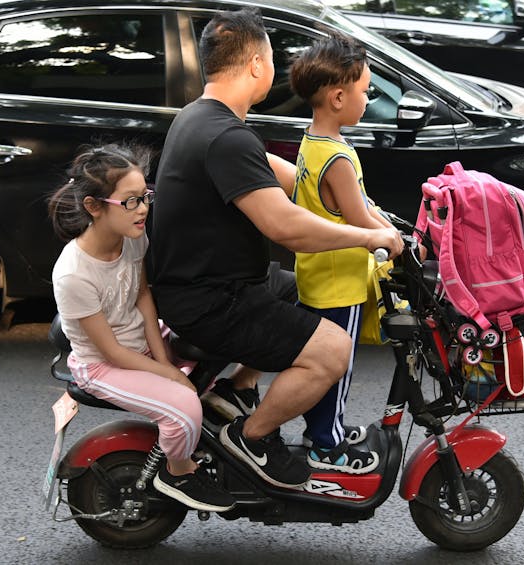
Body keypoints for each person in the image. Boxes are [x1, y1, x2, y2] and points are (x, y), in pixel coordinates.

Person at [151, 8, 403, 490]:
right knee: (334, 349)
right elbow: (286, 227)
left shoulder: (201, 118)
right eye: (269, 55)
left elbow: (282, 174)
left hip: (220, 283)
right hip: (212, 300)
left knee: (305, 295)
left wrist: (364, 205)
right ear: (255, 65)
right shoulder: (225, 135)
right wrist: (371, 236)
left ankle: (239, 387)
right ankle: (251, 438)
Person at [48, 144, 235, 513]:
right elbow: (111, 352)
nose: (144, 209)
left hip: (140, 344)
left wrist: (163, 355)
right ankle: (178, 471)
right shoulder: (73, 274)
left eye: (145, 197)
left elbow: (142, 298)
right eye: (131, 201)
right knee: (183, 406)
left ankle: (207, 426)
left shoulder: (131, 238)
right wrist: (169, 374)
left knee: (223, 332)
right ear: (94, 207)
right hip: (102, 365)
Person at [287, 33, 393, 474]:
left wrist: (377, 215)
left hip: (317, 274)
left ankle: (327, 428)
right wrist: (392, 238)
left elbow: (348, 206)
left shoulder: (312, 142)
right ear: (337, 97)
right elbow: (358, 220)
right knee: (336, 365)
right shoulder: (341, 159)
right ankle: (325, 442)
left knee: (322, 361)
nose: (368, 100)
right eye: (365, 92)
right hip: (341, 281)